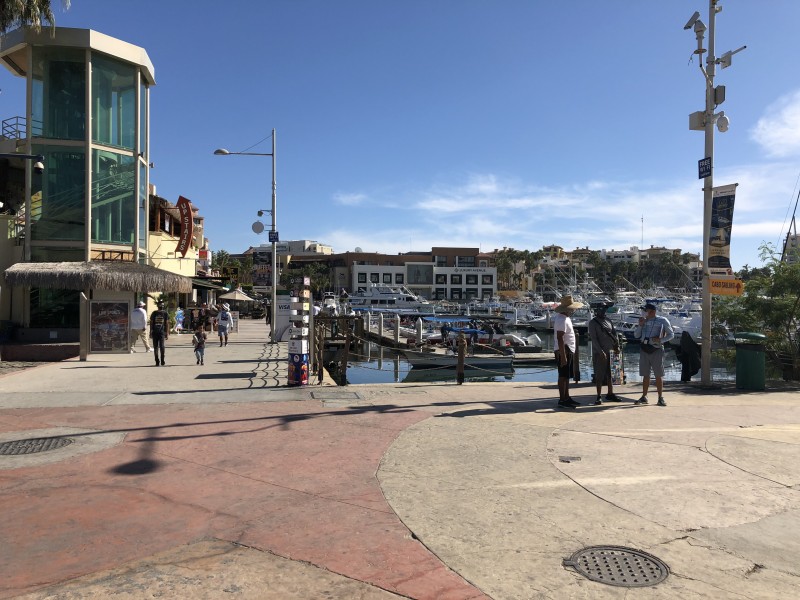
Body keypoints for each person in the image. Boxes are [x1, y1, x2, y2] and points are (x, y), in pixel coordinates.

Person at [634, 302, 675, 406]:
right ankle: (644, 396)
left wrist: (660, 340)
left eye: (646, 310)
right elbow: (636, 335)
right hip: (644, 349)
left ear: (652, 312)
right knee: (645, 374)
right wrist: (640, 325)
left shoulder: (662, 320)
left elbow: (671, 335)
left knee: (658, 374)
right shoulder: (643, 321)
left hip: (656, 349)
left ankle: (660, 397)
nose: (644, 312)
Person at [553, 295, 584, 409]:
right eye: (572, 308)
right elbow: (560, 338)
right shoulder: (561, 319)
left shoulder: (565, 318)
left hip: (568, 349)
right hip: (564, 350)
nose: (573, 310)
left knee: (566, 376)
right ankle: (562, 399)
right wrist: (563, 355)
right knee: (562, 375)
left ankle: (567, 397)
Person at [588, 300, 621, 405]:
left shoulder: (608, 320)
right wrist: (600, 351)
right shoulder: (593, 323)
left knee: (613, 374)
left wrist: (617, 346)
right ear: (596, 310)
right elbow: (594, 339)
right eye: (601, 309)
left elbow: (615, 334)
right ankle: (598, 396)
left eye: (604, 309)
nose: (603, 311)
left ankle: (610, 393)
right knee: (599, 375)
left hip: (612, 350)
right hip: (600, 353)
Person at [149, 300, 170, 366]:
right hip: (161, 332)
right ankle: (162, 360)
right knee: (162, 346)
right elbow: (167, 324)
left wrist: (150, 331)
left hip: (156, 332)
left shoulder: (154, 313)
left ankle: (157, 361)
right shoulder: (165, 313)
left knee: (156, 347)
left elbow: (151, 323)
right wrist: (167, 333)